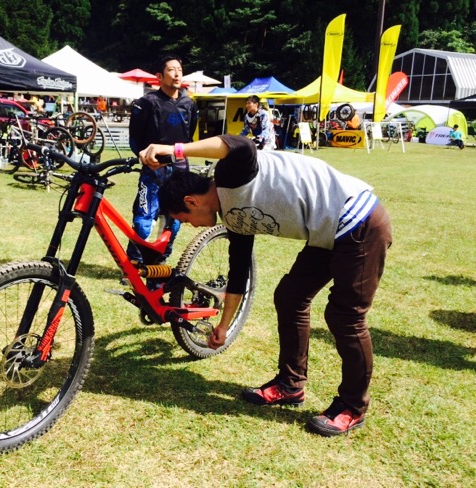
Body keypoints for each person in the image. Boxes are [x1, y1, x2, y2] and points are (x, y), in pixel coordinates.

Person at [140, 134, 392, 437]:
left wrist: (175, 149)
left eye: (185, 218)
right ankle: (290, 385)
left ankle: (353, 406)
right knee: (290, 297)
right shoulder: (232, 217)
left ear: (191, 201)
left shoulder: (230, 176)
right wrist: (224, 325)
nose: (190, 225)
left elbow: (242, 146)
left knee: (345, 317)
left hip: (359, 221)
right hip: (326, 232)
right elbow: (238, 273)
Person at [126, 54, 199, 266]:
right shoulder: (146, 103)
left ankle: (160, 259)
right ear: (159, 76)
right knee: (143, 219)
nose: (177, 74)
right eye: (171, 70)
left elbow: (188, 136)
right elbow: (135, 137)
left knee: (175, 217)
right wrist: (142, 155)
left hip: (179, 171)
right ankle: (134, 262)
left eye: (180, 70)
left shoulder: (189, 104)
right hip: (153, 171)